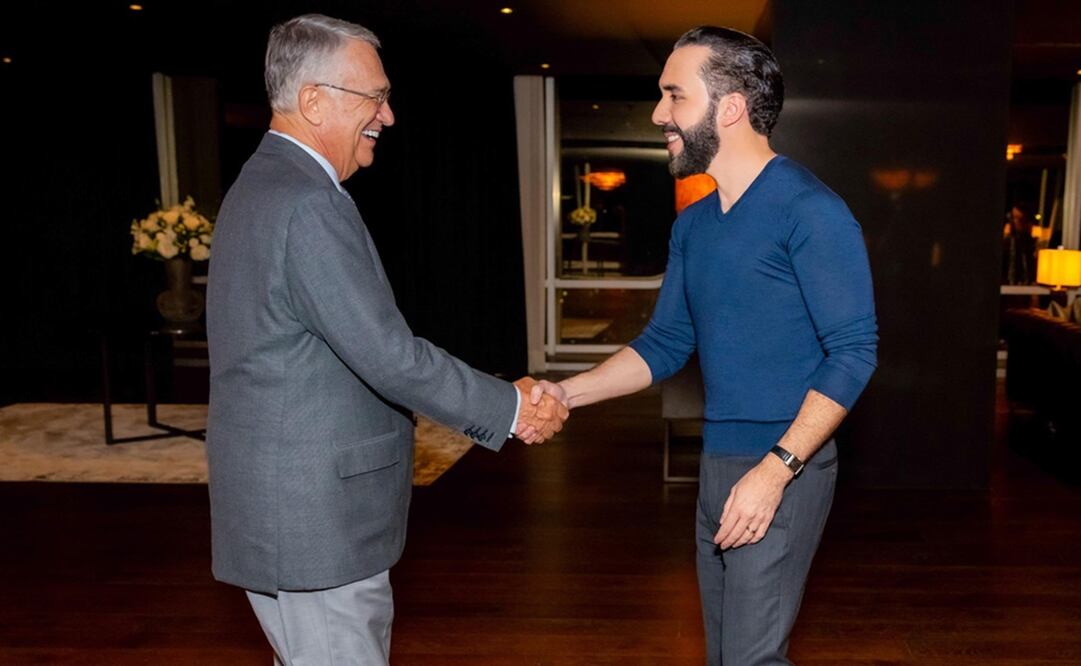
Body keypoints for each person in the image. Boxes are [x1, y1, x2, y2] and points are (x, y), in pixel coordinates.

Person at [205, 14, 566, 665]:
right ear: (313, 100)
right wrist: (508, 408)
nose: (388, 115)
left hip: (281, 509)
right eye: (374, 96)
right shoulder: (308, 202)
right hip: (315, 521)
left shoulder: (261, 185)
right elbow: (388, 356)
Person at [531, 26, 878, 665]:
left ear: (730, 107)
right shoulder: (694, 222)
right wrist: (564, 393)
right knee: (726, 655)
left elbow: (854, 351)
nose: (660, 114)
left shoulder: (811, 211)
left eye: (674, 96)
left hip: (784, 465)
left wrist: (777, 470)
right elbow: (664, 343)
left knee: (750, 659)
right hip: (719, 462)